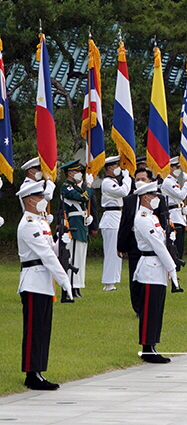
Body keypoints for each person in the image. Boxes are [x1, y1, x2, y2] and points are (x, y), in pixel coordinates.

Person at [17, 179, 74, 390]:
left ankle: (39, 370)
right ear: (29, 201)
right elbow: (47, 256)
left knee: (43, 329)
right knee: (34, 330)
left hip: (44, 281)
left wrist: (63, 241)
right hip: (33, 281)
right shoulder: (28, 224)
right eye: (39, 197)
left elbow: (53, 250)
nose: (43, 200)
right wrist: (65, 281)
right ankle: (31, 374)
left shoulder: (41, 222)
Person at [130, 180, 179, 363]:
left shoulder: (152, 217)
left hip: (158, 267)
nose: (156, 199)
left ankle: (152, 345)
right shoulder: (142, 218)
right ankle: (147, 348)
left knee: (157, 309)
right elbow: (157, 246)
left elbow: (161, 240)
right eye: (153, 195)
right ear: (145, 197)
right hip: (150, 267)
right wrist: (172, 268)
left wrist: (169, 236)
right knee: (149, 310)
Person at [58, 160, 91, 297]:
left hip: (81, 223)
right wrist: (88, 186)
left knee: (80, 257)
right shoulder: (67, 187)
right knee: (73, 257)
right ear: (70, 173)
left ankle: (77, 286)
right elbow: (83, 197)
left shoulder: (76, 187)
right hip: (73, 224)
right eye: (78, 172)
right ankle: (71, 285)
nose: (80, 174)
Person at [99, 156, 130, 291]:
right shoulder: (107, 182)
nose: (119, 168)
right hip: (111, 217)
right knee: (112, 251)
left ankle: (113, 280)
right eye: (117, 166)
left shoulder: (114, 181)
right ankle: (108, 282)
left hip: (117, 216)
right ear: (110, 168)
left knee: (118, 252)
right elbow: (124, 192)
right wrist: (127, 177)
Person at [161, 157, 187, 258]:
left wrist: (183, 207)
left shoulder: (175, 182)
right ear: (170, 168)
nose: (178, 169)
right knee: (175, 246)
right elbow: (181, 195)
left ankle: (177, 268)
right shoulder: (168, 182)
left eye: (179, 167)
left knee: (180, 246)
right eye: (176, 167)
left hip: (179, 216)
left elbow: (180, 199)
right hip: (173, 217)